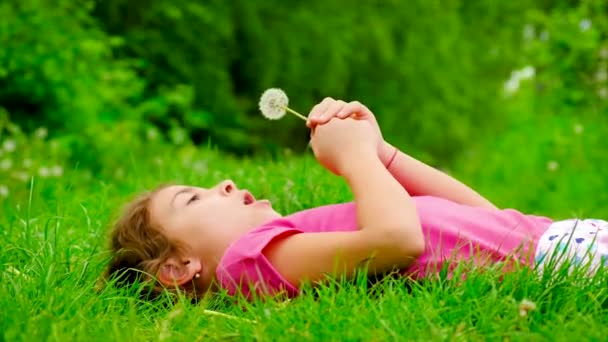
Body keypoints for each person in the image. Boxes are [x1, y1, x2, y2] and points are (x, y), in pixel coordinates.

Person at [105, 98, 608, 300]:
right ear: (177, 267)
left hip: (556, 241)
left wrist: (382, 152)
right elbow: (397, 240)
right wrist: (354, 161)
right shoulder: (247, 260)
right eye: (193, 200)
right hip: (559, 258)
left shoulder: (295, 231)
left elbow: (486, 217)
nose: (225, 185)